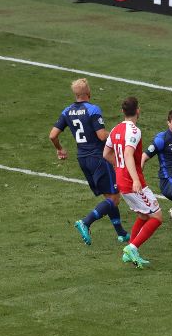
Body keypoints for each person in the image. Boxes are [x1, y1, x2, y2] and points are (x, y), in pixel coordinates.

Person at [49, 78, 129, 245]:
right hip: (98, 158)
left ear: (76, 94)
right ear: (88, 93)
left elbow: (53, 135)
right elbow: (101, 136)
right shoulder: (92, 109)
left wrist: (60, 149)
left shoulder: (67, 111)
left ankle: (121, 233)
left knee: (109, 196)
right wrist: (118, 134)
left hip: (83, 159)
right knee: (114, 198)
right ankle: (85, 222)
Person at [103, 97, 162, 268]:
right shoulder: (134, 131)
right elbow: (128, 154)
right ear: (138, 110)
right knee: (157, 217)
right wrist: (135, 179)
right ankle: (132, 247)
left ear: (123, 112)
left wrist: (118, 166)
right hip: (132, 181)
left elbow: (106, 154)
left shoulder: (115, 130)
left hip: (121, 179)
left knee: (143, 215)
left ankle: (130, 252)